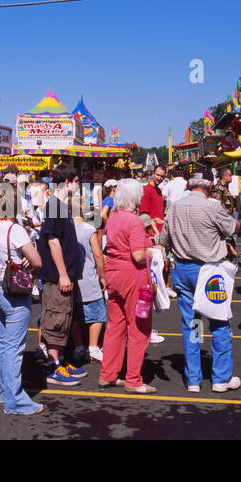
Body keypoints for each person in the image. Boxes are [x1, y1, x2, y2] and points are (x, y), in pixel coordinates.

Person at [158, 174, 241, 393]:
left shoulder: (174, 207)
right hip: (209, 270)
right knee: (218, 322)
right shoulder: (212, 208)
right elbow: (232, 229)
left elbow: (163, 239)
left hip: (183, 269)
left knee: (193, 324)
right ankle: (220, 378)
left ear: (188, 185)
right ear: (211, 186)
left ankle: (193, 379)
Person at [0, 182, 46, 415]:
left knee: (5, 343)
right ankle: (15, 399)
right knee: (14, 347)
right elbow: (37, 261)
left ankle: (1, 391)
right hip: (15, 292)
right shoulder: (15, 229)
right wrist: (27, 257)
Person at [100, 179, 156, 392]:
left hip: (113, 272)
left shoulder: (112, 218)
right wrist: (153, 253)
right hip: (132, 274)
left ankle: (108, 374)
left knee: (115, 325)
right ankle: (134, 379)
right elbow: (138, 255)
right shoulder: (134, 222)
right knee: (138, 327)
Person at [37, 164, 86, 385]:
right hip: (57, 276)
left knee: (64, 318)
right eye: (77, 182)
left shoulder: (59, 205)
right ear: (67, 182)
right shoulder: (55, 206)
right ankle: (53, 366)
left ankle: (61, 360)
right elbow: (52, 240)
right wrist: (63, 274)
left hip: (63, 275)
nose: (78, 186)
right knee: (56, 318)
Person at [72, 202, 107, 363]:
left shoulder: (67, 229)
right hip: (88, 277)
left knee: (75, 315)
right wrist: (102, 276)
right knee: (97, 313)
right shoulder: (88, 229)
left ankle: (79, 346)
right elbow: (98, 254)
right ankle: (93, 347)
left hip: (72, 277)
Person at [137, 165, 167, 233]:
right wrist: (152, 234)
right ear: (153, 174)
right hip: (152, 234)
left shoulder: (159, 190)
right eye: (157, 175)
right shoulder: (146, 190)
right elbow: (143, 216)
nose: (159, 178)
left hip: (159, 231)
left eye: (162, 176)